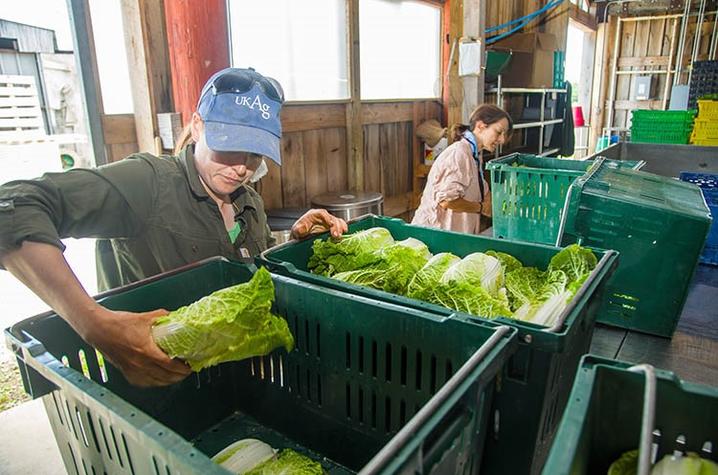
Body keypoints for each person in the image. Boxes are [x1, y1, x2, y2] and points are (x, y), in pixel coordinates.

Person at [0, 67, 347, 387]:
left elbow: (248, 280)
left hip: (224, 383)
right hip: (150, 380)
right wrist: (94, 324)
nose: (241, 168)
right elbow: (13, 206)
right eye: (229, 146)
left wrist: (291, 241)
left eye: (254, 154)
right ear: (197, 126)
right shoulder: (149, 184)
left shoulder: (249, 202)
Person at [411, 104, 512, 234]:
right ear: (481, 126)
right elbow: (447, 200)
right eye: (498, 132)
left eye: (504, 134)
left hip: (451, 235)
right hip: (433, 235)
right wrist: (481, 208)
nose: (502, 140)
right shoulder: (459, 153)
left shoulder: (474, 154)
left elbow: (478, 187)